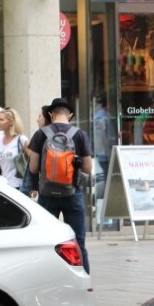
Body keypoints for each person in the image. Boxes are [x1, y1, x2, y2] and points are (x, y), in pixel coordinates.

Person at [27, 98, 94, 273]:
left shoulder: (40, 134)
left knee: (46, 242)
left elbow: (33, 168)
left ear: (50, 113)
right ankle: (83, 280)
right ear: (70, 115)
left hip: (47, 195)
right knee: (78, 242)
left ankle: (48, 279)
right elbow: (88, 168)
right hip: (73, 194)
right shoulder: (79, 135)